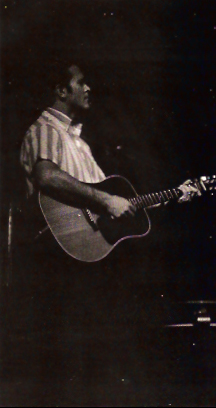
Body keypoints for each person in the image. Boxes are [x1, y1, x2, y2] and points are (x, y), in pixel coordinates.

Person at [7, 60, 197, 405]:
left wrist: (173, 195)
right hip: (57, 259)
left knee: (95, 359)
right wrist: (105, 199)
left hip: (85, 262)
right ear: (61, 91)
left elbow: (119, 205)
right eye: (81, 83)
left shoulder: (79, 143)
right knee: (71, 362)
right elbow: (47, 177)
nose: (88, 88)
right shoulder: (46, 129)